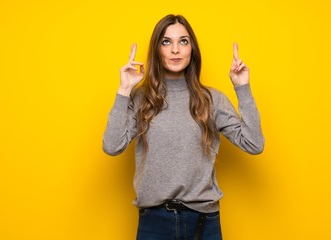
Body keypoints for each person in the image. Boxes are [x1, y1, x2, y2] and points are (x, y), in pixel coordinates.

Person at [103, 14, 264, 240]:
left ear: (192, 50)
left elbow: (254, 143)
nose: (175, 50)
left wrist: (243, 88)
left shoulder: (212, 100)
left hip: (203, 222)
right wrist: (124, 90)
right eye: (166, 42)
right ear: (157, 50)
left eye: (183, 41)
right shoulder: (142, 99)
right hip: (153, 223)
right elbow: (112, 146)